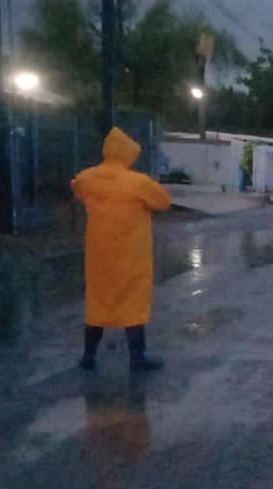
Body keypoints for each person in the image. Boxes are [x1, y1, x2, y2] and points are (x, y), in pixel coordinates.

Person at [72, 127, 171, 372]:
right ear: (128, 154)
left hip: (99, 254)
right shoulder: (137, 183)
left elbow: (76, 186)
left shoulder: (88, 178)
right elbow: (163, 201)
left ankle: (89, 356)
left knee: (97, 301)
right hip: (131, 254)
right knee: (132, 303)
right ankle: (137, 357)